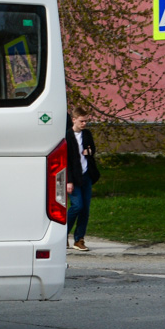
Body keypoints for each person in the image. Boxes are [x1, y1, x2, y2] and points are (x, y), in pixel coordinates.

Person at [65, 106, 100, 252]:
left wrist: (89, 151)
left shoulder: (87, 134)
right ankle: (63, 234)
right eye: (81, 121)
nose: (84, 124)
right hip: (74, 178)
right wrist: (69, 181)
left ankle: (79, 239)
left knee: (85, 209)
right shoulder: (67, 136)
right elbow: (67, 160)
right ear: (74, 120)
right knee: (77, 206)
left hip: (86, 176)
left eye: (86, 121)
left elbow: (93, 149)